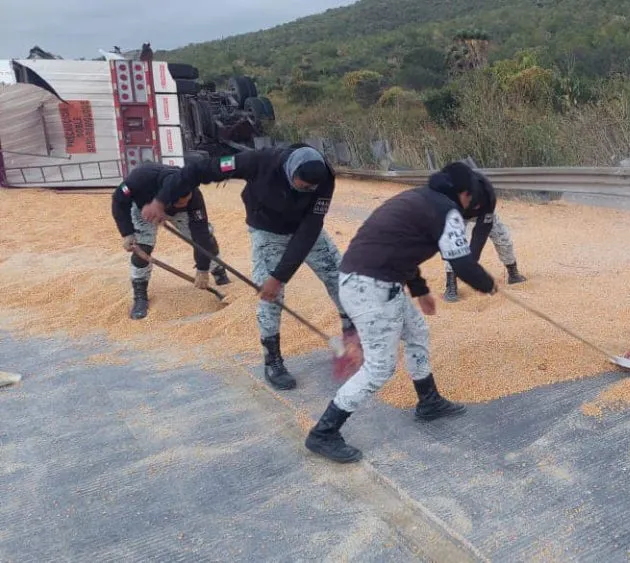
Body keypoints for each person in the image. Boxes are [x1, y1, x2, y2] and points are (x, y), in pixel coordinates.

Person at [305, 161, 498, 463]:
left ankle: (428, 400)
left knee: (417, 332)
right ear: (465, 195)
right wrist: (488, 284)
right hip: (371, 288)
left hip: (372, 281)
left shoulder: (419, 198)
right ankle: (324, 431)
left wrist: (419, 290)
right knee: (380, 368)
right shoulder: (447, 211)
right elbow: (462, 263)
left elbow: (400, 249)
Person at [140, 145, 359, 392]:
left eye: (310, 189)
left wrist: (280, 275)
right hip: (267, 231)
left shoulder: (325, 179)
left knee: (339, 277)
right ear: (289, 171)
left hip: (306, 231)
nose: (306, 191)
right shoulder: (259, 161)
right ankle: (272, 360)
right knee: (270, 298)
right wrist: (161, 200)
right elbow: (199, 170)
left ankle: (352, 338)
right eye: (301, 186)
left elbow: (309, 230)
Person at [111, 162, 231, 320]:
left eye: (187, 200)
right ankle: (140, 295)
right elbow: (118, 200)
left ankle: (218, 271)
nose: (186, 204)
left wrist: (202, 269)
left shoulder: (193, 196)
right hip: (145, 209)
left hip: (180, 214)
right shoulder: (140, 179)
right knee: (143, 249)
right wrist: (127, 232)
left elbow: (200, 233)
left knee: (207, 238)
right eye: (181, 202)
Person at [442, 202, 526, 301]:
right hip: (456, 213)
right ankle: (451, 285)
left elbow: (479, 236)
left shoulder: (486, 195)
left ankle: (513, 272)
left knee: (503, 238)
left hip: (484, 211)